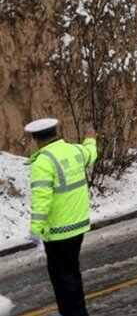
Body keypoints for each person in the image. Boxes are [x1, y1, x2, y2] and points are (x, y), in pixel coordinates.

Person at [25, 118, 97, 316]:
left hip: (58, 232)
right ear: (56, 132)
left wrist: (35, 230)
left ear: (35, 139)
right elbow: (91, 153)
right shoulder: (75, 150)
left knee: (63, 280)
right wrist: (90, 137)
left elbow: (42, 200)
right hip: (79, 225)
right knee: (72, 274)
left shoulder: (43, 162)